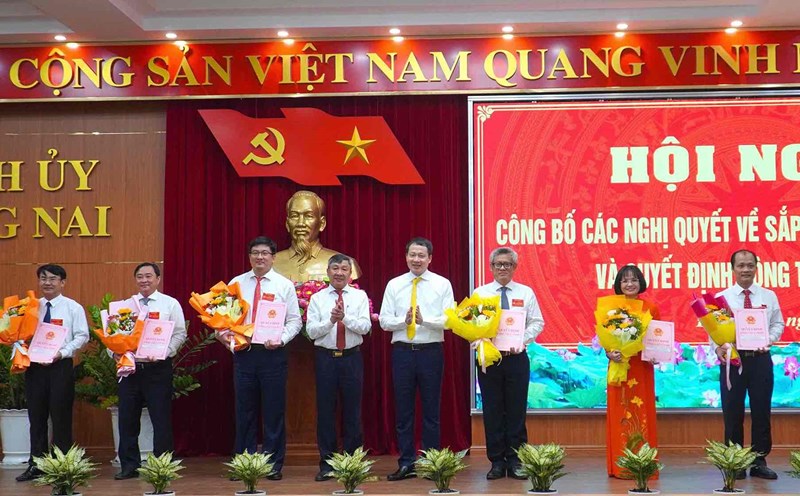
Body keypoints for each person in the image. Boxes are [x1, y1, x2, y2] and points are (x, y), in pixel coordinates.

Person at [379, 237, 454, 481]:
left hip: (431, 352)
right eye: (412, 255)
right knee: (404, 411)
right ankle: (406, 462)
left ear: (430, 258)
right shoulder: (394, 284)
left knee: (431, 410)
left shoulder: (442, 284)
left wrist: (425, 321)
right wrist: (405, 320)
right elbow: (383, 320)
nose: (417, 259)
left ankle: (432, 462)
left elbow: (450, 320)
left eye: (422, 255)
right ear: (406, 257)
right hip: (402, 352)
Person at [228, 236, 302, 480]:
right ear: (249, 256)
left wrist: (281, 338)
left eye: (265, 253)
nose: (260, 257)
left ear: (273, 257)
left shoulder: (284, 285)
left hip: (272, 354)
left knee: (273, 411)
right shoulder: (236, 284)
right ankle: (244, 464)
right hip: (244, 354)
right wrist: (231, 341)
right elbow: (223, 320)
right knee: (244, 411)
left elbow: (295, 320)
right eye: (255, 253)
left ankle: (272, 465)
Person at [473, 247, 544, 480]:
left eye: (507, 264)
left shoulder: (526, 292)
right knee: (492, 410)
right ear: (491, 267)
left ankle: (515, 460)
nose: (502, 268)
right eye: (498, 264)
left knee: (516, 411)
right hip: (489, 359)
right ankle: (496, 461)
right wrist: (481, 337)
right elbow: (471, 324)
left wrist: (521, 340)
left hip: (516, 358)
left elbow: (537, 322)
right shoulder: (480, 293)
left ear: (515, 267)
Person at [714, 249, 783, 480]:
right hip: (733, 362)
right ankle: (735, 462)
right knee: (732, 412)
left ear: (756, 267)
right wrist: (719, 347)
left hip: (760, 360)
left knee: (761, 411)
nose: (746, 269)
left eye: (750, 265)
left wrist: (769, 340)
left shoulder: (768, 296)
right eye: (741, 265)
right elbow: (712, 329)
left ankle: (759, 460)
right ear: (732, 268)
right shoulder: (722, 298)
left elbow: (778, 324)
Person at [114, 263, 187, 480]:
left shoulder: (169, 304)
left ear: (158, 279)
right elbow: (114, 335)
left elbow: (180, 334)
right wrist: (115, 354)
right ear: (135, 280)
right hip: (130, 368)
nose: (144, 280)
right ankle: (129, 465)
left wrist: (166, 352)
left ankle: (162, 464)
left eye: (148, 276)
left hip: (158, 369)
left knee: (160, 417)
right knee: (127, 418)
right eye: (140, 276)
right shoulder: (125, 306)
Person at [16, 264, 89, 482]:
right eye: (43, 278)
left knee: (61, 416)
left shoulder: (73, 308)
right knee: (36, 417)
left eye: (53, 278)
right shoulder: (30, 307)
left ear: (62, 282)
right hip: (35, 368)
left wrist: (62, 352)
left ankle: (62, 465)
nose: (47, 282)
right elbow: (18, 335)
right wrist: (21, 348)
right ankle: (36, 464)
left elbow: (82, 336)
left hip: (60, 367)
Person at [306, 254, 371, 481]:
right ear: (328, 271)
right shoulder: (317, 299)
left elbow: (364, 327)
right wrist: (331, 321)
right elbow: (312, 332)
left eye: (344, 268)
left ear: (350, 273)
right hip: (325, 359)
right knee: (325, 412)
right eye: (335, 268)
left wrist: (346, 318)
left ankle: (353, 463)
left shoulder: (360, 296)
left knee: (352, 411)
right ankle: (327, 464)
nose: (339, 273)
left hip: (351, 358)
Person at [605, 265, 659, 479]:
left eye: (634, 280)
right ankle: (620, 466)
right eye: (625, 280)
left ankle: (643, 465)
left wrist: (657, 352)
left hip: (641, 367)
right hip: (619, 366)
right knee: (620, 414)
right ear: (619, 284)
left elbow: (657, 337)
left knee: (642, 413)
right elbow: (604, 339)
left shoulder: (651, 308)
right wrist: (610, 353)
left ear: (641, 283)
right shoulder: (611, 307)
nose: (629, 284)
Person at [273, 190, 361, 282]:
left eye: (308, 216)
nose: (300, 223)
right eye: (295, 216)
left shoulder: (347, 264)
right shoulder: (271, 264)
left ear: (322, 223)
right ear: (287, 223)